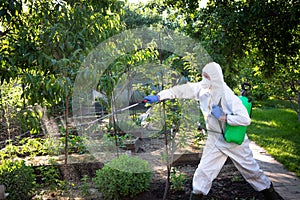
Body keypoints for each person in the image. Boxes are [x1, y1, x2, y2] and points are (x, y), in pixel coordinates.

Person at [143, 62, 282, 200]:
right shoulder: (202, 89)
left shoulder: (227, 95)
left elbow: (245, 119)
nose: (203, 79)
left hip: (234, 142)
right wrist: (159, 96)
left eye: (207, 76)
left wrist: (224, 117)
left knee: (252, 172)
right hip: (215, 140)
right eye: (203, 75)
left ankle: (272, 195)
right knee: (203, 173)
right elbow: (180, 90)